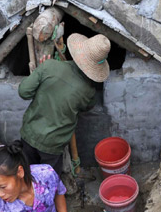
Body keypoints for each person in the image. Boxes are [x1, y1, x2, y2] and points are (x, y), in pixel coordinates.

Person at [19, 33, 111, 176]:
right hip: (53, 144)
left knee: (27, 176)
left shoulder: (48, 66)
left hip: (30, 133)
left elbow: (24, 92)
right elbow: (87, 107)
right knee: (50, 182)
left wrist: (39, 72)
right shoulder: (88, 91)